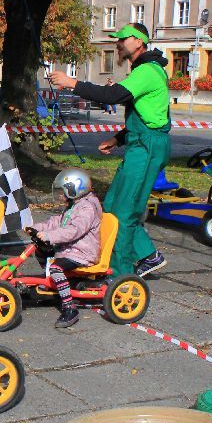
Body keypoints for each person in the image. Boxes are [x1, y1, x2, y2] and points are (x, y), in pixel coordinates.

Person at [49, 22, 170, 278]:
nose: (118, 44)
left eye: (122, 39)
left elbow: (112, 95)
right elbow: (150, 115)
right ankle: (148, 255)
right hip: (141, 143)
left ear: (138, 41)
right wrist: (118, 138)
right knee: (114, 206)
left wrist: (72, 82)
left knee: (124, 212)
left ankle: (120, 274)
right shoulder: (144, 70)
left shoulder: (148, 71)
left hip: (147, 147)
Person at [26, 168, 102, 329]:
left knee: (55, 268)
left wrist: (50, 236)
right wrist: (37, 228)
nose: (61, 195)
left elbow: (74, 230)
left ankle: (69, 308)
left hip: (82, 252)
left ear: (75, 189)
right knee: (41, 251)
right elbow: (57, 221)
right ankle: (53, 284)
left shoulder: (87, 208)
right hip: (70, 249)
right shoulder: (74, 205)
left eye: (63, 191)